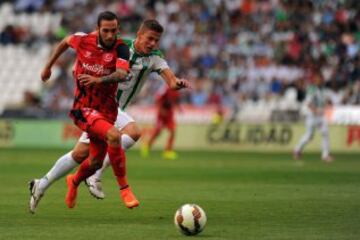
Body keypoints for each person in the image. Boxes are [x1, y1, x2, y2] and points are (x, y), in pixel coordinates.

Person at [29, 18, 191, 213]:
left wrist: (178, 83)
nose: (153, 44)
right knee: (133, 132)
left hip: (113, 111)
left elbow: (171, 81)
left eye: (156, 40)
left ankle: (44, 184)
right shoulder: (119, 47)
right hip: (99, 106)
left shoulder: (155, 58)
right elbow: (84, 48)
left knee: (80, 154)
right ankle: (96, 176)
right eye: (149, 39)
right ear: (139, 35)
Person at [293, 72, 333, 162]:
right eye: (318, 79)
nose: (320, 81)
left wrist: (328, 104)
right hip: (312, 115)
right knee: (309, 135)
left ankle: (325, 155)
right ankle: (297, 149)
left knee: (325, 133)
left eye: (321, 79)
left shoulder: (323, 90)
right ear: (315, 80)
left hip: (321, 115)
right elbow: (308, 103)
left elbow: (325, 100)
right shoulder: (312, 89)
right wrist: (315, 110)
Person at [141, 86, 181, 160]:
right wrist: (160, 110)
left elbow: (176, 101)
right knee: (157, 132)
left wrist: (179, 108)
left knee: (173, 131)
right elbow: (157, 99)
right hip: (161, 115)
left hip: (169, 114)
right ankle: (147, 146)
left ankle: (168, 152)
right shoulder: (165, 89)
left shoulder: (177, 92)